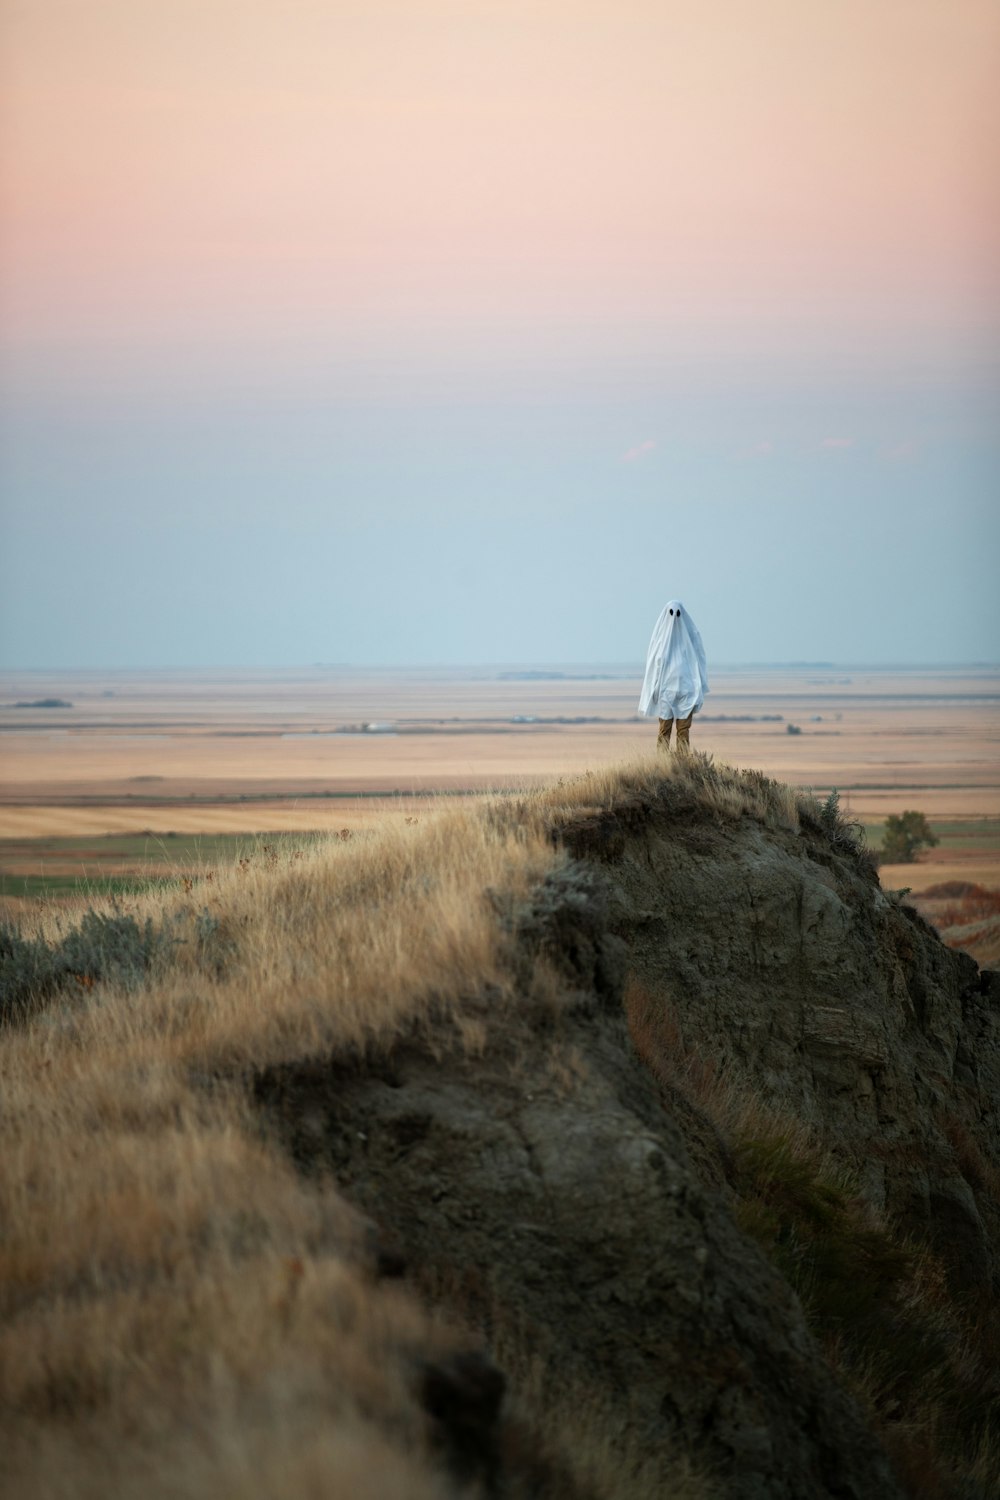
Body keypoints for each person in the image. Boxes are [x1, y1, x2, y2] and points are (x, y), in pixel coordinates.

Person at [637, 600, 708, 751]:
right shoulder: (661, 641)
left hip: (686, 691)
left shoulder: (691, 638)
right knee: (664, 730)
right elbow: (654, 666)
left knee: (683, 731)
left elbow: (699, 662)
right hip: (666, 692)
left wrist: (698, 687)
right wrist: (655, 689)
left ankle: (683, 764)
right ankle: (662, 764)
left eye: (677, 613)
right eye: (671, 613)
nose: (674, 617)